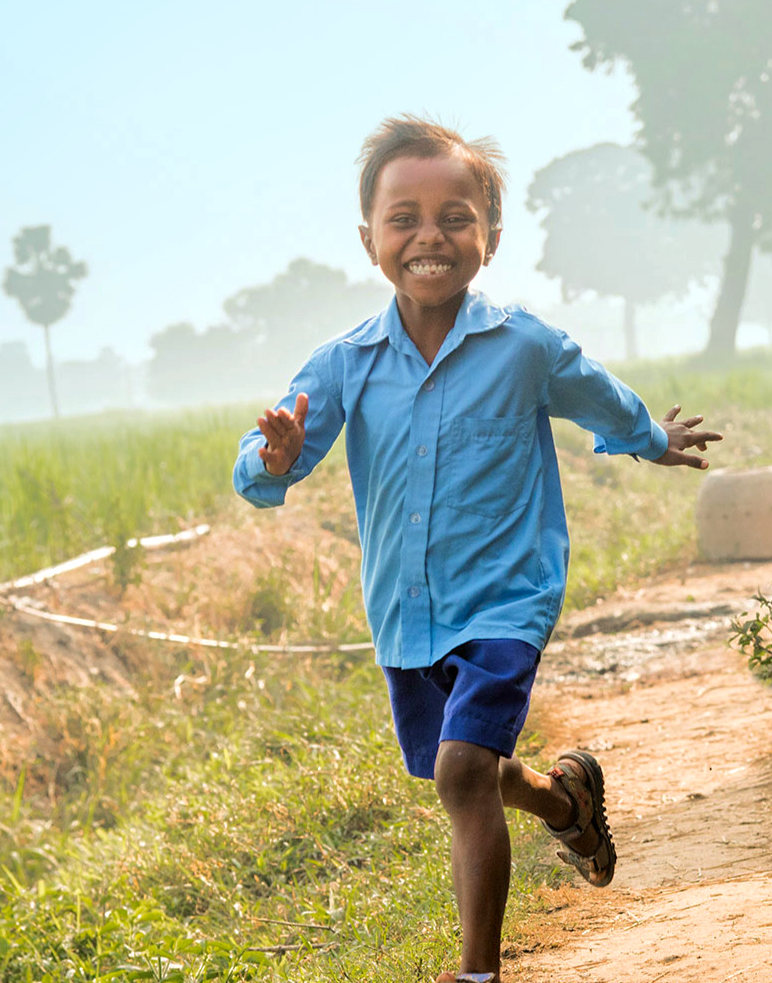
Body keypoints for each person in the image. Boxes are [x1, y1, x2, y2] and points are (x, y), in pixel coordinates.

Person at [232, 115, 721, 983]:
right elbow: (275, 458)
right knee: (472, 774)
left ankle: (478, 973)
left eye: (455, 215)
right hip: (406, 611)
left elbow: (598, 395)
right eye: (404, 217)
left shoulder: (524, 345)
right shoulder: (344, 363)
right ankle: (565, 800)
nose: (430, 235)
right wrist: (269, 460)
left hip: (507, 597)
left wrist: (650, 437)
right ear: (369, 239)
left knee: (462, 769)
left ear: (490, 236)